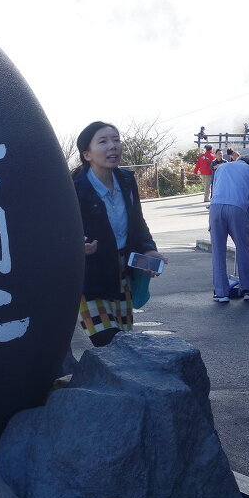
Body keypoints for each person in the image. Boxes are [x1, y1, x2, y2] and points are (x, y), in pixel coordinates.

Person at [73, 122, 165, 345]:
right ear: (87, 154)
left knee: (122, 342)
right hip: (89, 275)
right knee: (106, 338)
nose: (112, 146)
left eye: (116, 140)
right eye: (103, 142)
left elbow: (137, 222)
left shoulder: (126, 180)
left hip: (121, 272)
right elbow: (59, 228)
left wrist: (149, 250)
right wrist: (76, 245)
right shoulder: (74, 186)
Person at [208, 147, 249, 302]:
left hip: (215, 208)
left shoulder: (221, 168)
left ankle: (221, 293)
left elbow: (215, 190)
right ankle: (248, 290)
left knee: (218, 250)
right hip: (238, 209)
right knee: (243, 248)